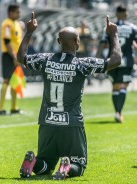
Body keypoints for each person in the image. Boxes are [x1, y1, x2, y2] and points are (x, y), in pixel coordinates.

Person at [17, 12, 121, 180]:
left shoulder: (45, 59)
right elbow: (116, 60)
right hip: (71, 123)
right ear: (77, 42)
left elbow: (21, 58)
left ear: (58, 42)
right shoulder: (82, 64)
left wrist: (29, 32)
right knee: (78, 165)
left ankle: (33, 162)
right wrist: (113, 35)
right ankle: (67, 166)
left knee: (45, 165)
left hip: (47, 122)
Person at [96, 5, 137, 123]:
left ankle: (117, 112)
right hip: (126, 61)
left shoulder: (108, 28)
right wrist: (134, 45)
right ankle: (118, 113)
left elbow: (102, 45)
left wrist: (96, 60)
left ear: (116, 14)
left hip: (112, 61)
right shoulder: (133, 28)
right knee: (123, 86)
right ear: (125, 14)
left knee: (115, 87)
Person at [0, 4, 23, 116]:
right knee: (6, 80)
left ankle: (14, 107)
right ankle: (0, 108)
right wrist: (14, 56)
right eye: (17, 12)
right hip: (9, 56)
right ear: (10, 12)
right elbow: (7, 42)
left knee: (15, 82)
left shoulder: (16, 24)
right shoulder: (6, 24)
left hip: (16, 56)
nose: (19, 14)